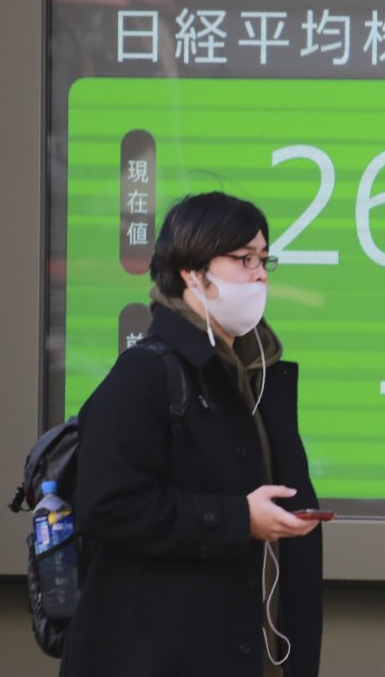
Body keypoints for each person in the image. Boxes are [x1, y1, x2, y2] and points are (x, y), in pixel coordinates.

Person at [59, 192, 323, 677]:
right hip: (158, 657)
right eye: (244, 259)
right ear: (191, 272)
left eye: (265, 259)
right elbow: (107, 505)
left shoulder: (256, 375)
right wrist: (236, 519)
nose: (260, 273)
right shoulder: (147, 373)